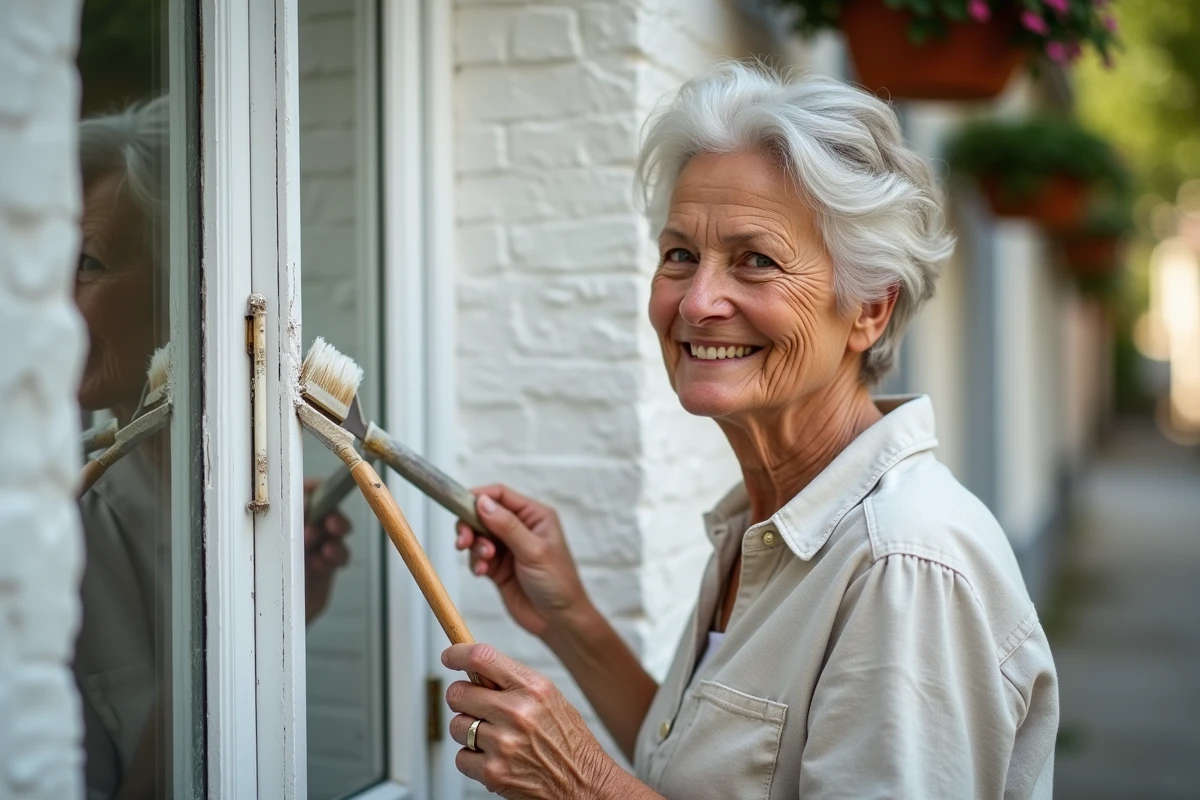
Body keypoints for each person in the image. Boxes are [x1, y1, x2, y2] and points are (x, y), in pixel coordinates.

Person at [446, 63, 1059, 799]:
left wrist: (583, 783)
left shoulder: (903, 567)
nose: (699, 301)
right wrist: (568, 614)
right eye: (680, 255)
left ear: (868, 309)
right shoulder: (767, 521)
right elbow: (704, 774)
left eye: (756, 261)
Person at [73, 97, 351, 799]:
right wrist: (211, 656)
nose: (45, 296)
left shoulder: (230, 497)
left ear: (190, 291)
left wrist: (288, 611)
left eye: (86, 263)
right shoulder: (49, 524)